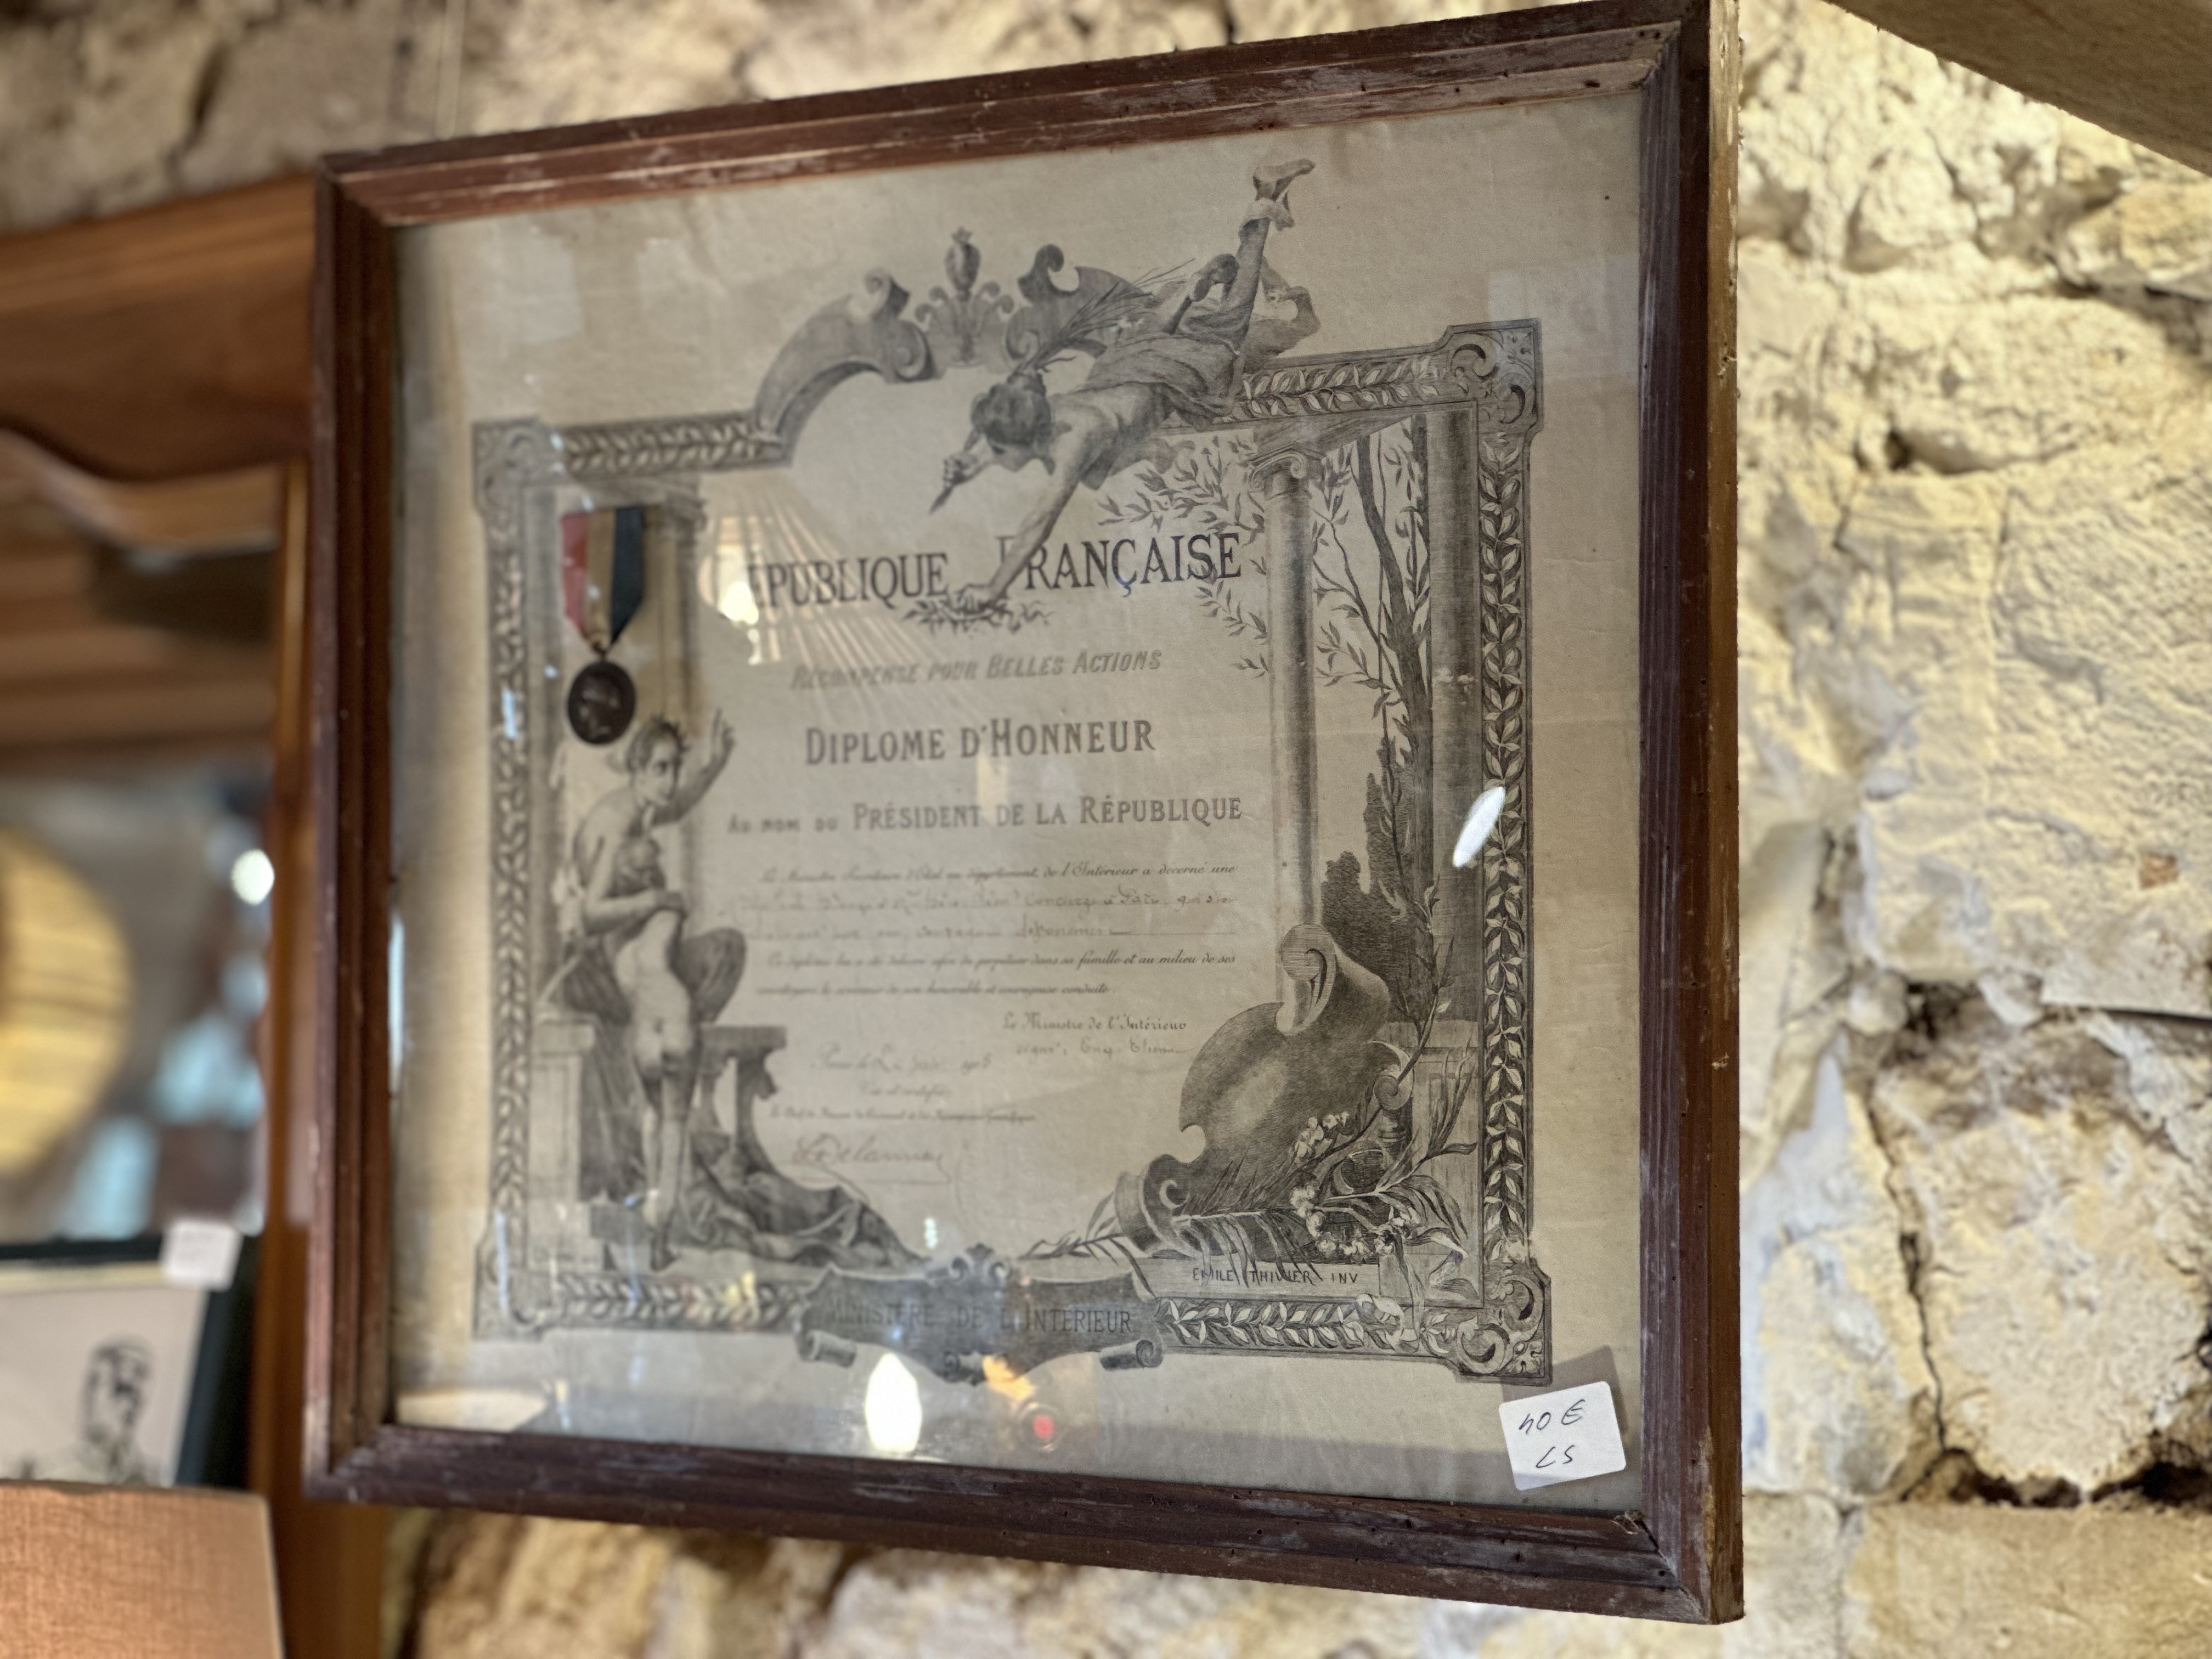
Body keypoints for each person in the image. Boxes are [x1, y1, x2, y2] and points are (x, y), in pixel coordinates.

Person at [939, 158, 1319, 616]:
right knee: (1117, 438)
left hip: (1164, 376)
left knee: (1231, 319)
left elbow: (1040, 520)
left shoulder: (1072, 442)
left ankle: (1261, 206)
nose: (999, 459)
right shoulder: (1046, 414)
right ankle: (1188, 297)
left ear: (1026, 439)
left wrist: (993, 588)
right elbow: (1006, 432)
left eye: (1000, 452)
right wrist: (970, 464)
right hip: (1125, 363)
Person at [558, 712, 743, 1263]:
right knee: (671, 1122)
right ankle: (660, 1234)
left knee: (653, 1119)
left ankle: (655, 1237)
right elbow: (592, 912)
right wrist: (656, 900)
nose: (670, 780)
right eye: (661, 768)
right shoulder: (617, 825)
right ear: (638, 769)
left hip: (645, 1012)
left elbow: (679, 803)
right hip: (670, 1010)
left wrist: (716, 764)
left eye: (675, 768)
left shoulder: (638, 810)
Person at [46, 1338, 159, 1485]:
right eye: (119, 1390)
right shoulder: (48, 1471)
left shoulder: (152, 1479)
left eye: (133, 1396)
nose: (127, 1407)